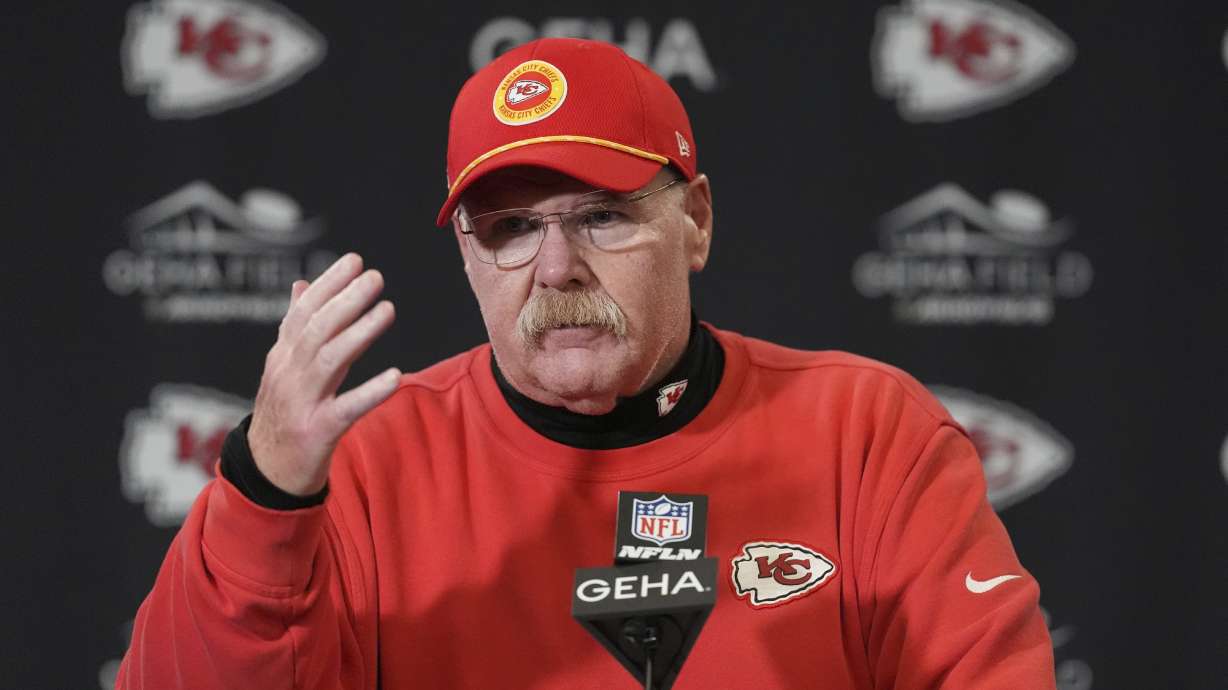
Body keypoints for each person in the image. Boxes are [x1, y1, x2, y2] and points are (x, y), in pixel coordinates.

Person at [117, 38, 1056, 689]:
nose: (557, 268)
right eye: (512, 230)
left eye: (600, 215)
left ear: (693, 221)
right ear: (468, 260)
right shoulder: (363, 467)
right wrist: (265, 491)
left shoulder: (868, 434)